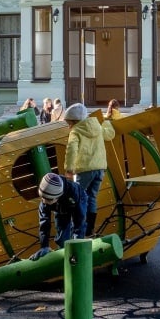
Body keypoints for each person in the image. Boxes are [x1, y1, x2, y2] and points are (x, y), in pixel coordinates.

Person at [62, 102, 115, 238]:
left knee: (78, 197)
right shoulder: (97, 126)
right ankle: (90, 229)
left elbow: (71, 150)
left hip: (85, 168)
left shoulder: (76, 131)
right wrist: (107, 123)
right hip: (100, 168)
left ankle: (79, 227)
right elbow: (109, 135)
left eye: (69, 123)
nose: (69, 126)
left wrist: (69, 168)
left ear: (75, 121)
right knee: (92, 197)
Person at [30, 172, 85, 260]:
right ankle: (63, 252)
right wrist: (44, 246)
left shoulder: (73, 192)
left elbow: (79, 220)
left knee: (77, 229)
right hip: (59, 206)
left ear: (57, 197)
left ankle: (77, 253)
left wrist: (78, 243)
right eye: (42, 197)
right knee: (62, 237)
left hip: (77, 199)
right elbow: (44, 224)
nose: (43, 201)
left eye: (46, 199)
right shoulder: (45, 200)